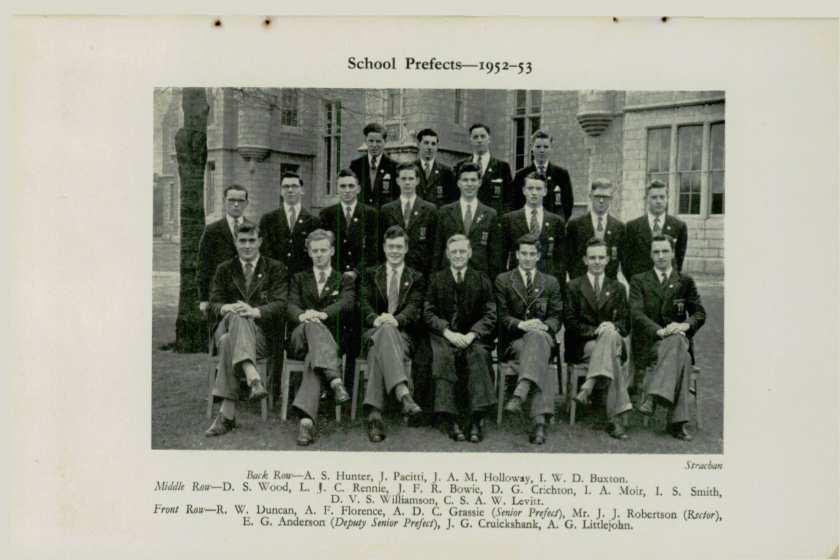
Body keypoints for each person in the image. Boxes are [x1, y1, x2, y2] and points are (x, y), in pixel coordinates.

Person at [204, 222, 287, 437]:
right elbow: (212, 305)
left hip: (260, 337)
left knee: (227, 341)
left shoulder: (275, 268)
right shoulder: (225, 269)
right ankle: (252, 375)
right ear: (235, 242)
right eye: (242, 241)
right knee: (236, 315)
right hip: (227, 325)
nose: (247, 245)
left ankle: (227, 416)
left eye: (252, 240)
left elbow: (281, 304)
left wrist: (254, 311)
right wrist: (226, 308)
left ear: (260, 242)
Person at [629, 234, 706, 441]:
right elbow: (636, 314)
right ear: (650, 254)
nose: (661, 256)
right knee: (682, 354)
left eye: (665, 251)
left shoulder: (685, 281)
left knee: (678, 344)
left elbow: (699, 313)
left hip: (676, 342)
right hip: (650, 345)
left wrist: (683, 325)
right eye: (656, 252)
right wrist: (661, 331)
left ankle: (653, 397)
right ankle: (677, 423)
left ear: (672, 253)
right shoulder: (639, 280)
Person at [424, 235, 497, 443]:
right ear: (447, 254)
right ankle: (451, 418)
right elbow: (428, 313)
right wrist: (447, 332)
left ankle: (476, 418)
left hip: (472, 336)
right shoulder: (436, 279)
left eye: (462, 251)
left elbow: (490, 314)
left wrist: (472, 334)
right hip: (445, 336)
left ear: (470, 253)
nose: (458, 255)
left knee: (479, 354)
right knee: (443, 355)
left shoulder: (481, 279)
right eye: (454, 252)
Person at [286, 229, 355, 446]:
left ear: (332, 251)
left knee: (313, 358)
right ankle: (335, 380)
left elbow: (347, 303)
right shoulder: (299, 278)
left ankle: (306, 421)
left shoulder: (343, 279)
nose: (319, 255)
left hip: (329, 343)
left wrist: (323, 314)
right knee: (312, 326)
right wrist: (304, 316)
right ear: (308, 252)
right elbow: (290, 305)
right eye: (314, 251)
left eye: (323, 250)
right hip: (300, 337)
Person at [359, 226, 425, 442]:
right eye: (390, 247)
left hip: (403, 336)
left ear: (406, 248)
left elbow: (415, 306)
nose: (394, 251)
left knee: (378, 348)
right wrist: (375, 319)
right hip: (373, 330)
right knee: (383, 332)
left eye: (399, 247)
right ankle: (403, 393)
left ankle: (374, 415)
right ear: (384, 248)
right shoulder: (371, 274)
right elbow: (363, 303)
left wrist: (397, 320)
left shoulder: (416, 277)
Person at [496, 234, 563, 445]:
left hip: (543, 338)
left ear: (539, 256)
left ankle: (520, 391)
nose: (527, 258)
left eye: (532, 254)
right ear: (516, 255)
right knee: (539, 353)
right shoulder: (503, 280)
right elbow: (500, 315)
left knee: (538, 337)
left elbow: (556, 316)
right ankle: (539, 423)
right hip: (515, 342)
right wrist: (521, 325)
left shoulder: (550, 282)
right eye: (523, 253)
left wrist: (544, 326)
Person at [565, 238, 632, 440]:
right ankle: (615, 419)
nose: (597, 261)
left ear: (608, 260)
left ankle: (589, 384)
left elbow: (625, 324)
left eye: (601, 257)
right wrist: (598, 331)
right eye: (592, 257)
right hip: (583, 345)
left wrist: (612, 326)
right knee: (611, 352)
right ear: (585, 260)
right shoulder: (573, 286)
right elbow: (570, 323)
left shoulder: (618, 288)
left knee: (610, 336)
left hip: (612, 342)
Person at [434, 162, 501, 276]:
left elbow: (494, 255)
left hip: (479, 276)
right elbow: (437, 250)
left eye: (473, 180)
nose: (469, 184)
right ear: (458, 183)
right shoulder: (444, 212)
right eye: (465, 180)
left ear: (479, 183)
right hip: (449, 275)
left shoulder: (490, 214)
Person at [500, 172, 566, 285]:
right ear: (524, 191)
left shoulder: (556, 221)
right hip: (516, 282)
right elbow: (502, 256)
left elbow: (560, 260)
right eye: (530, 188)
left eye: (538, 189)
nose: (534, 193)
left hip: (546, 282)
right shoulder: (509, 219)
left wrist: (557, 284)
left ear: (545, 191)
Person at [197, 184, 250, 314]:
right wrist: (204, 298)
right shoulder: (212, 230)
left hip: (246, 294)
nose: (236, 204)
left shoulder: (253, 229)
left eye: (240, 201)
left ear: (246, 203)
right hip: (219, 293)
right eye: (231, 200)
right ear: (224, 202)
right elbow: (203, 265)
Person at [622, 180, 688, 282]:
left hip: (667, 284)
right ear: (647, 199)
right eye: (654, 197)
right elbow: (626, 261)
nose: (658, 201)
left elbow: (679, 260)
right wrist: (635, 283)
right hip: (641, 285)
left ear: (667, 199)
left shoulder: (679, 226)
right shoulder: (632, 227)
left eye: (662, 197)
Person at [379, 162, 438, 275]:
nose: (407, 182)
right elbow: (381, 245)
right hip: (393, 270)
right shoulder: (386, 210)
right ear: (397, 181)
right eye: (403, 178)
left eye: (411, 178)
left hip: (421, 271)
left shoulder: (430, 209)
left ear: (417, 181)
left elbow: (434, 246)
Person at [319, 169, 380, 276]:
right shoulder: (327, 214)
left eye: (351, 186)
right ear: (337, 189)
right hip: (335, 274)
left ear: (358, 189)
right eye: (342, 186)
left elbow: (372, 249)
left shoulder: (370, 213)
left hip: (362, 274)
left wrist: (356, 272)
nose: (347, 190)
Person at [258, 171, 321, 276]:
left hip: (303, 278)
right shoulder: (268, 219)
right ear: (281, 191)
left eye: (294, 186)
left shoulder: (314, 221)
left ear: (302, 190)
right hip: (275, 278)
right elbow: (263, 252)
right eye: (286, 186)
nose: (290, 190)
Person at [566, 179, 626, 281]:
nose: (601, 200)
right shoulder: (575, 225)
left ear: (611, 198)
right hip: (581, 284)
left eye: (605, 197)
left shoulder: (619, 227)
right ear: (590, 196)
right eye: (598, 196)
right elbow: (569, 259)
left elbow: (622, 260)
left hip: (609, 284)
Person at [512, 130, 574, 220]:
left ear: (551, 148)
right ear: (531, 148)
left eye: (546, 147)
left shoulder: (561, 174)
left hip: (553, 224)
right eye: (538, 147)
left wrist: (558, 222)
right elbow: (515, 204)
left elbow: (568, 204)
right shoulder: (521, 175)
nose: (542, 150)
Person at [454, 123, 512, 215]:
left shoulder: (502, 167)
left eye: (483, 136)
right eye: (475, 137)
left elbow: (508, 199)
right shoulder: (460, 166)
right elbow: (455, 196)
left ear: (489, 139)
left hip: (493, 218)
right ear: (470, 140)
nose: (479, 140)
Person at [350, 123, 399, 208]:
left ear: (385, 142)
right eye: (371, 141)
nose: (374, 145)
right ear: (366, 141)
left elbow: (397, 197)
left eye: (378, 141)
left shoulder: (394, 166)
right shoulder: (356, 165)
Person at [413, 128, 457, 206]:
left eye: (433, 144)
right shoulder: (410, 169)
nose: (429, 147)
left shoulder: (446, 171)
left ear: (437, 147)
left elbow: (451, 201)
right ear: (418, 144)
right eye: (426, 143)